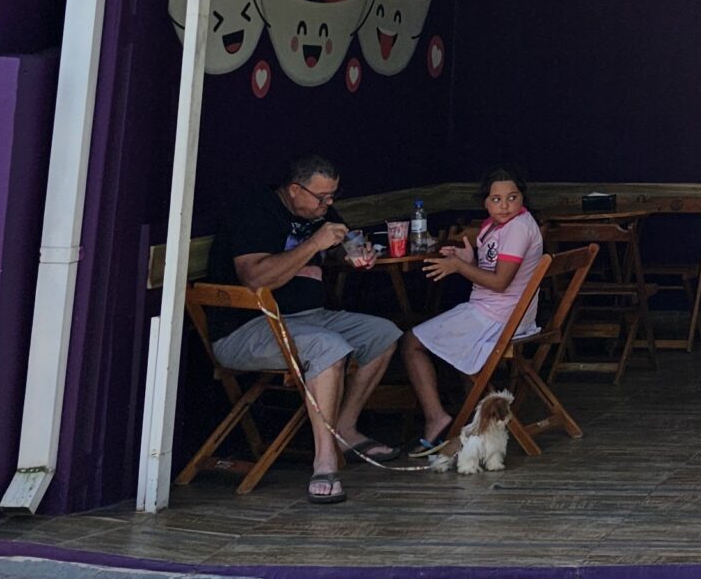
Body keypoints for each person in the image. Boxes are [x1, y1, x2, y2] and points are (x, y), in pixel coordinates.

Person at [205, 155, 402, 504]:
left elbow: (341, 247)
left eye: (333, 196)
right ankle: (324, 462)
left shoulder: (320, 212)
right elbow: (254, 279)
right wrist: (313, 243)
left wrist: (355, 255)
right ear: (295, 190)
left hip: (311, 317)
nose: (328, 203)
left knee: (382, 334)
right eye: (322, 197)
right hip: (248, 327)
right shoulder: (255, 212)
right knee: (328, 347)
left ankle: (345, 429)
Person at [398, 168, 546, 455]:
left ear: (523, 198)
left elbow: (500, 283)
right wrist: (469, 260)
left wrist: (459, 267)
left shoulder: (517, 228)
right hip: (504, 315)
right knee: (460, 354)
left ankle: (437, 418)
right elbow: (495, 270)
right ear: (485, 202)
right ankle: (478, 429)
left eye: (512, 197)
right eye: (496, 199)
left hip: (498, 317)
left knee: (410, 342)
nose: (505, 205)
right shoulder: (496, 226)